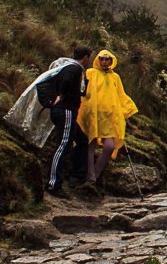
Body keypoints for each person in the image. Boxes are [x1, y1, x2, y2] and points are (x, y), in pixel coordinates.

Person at [79, 49, 138, 190]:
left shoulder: (115, 77)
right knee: (90, 145)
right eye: (102, 59)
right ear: (98, 60)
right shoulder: (90, 73)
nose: (104, 62)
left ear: (112, 61)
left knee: (110, 147)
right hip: (93, 115)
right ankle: (91, 178)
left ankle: (96, 174)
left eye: (107, 59)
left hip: (109, 118)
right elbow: (84, 92)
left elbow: (120, 95)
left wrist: (125, 109)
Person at [45, 46, 93, 199]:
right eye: (89, 58)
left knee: (82, 140)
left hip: (65, 111)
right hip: (66, 111)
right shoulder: (74, 68)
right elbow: (66, 82)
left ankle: (78, 176)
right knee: (63, 146)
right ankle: (53, 184)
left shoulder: (67, 67)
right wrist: (62, 96)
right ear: (86, 57)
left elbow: (80, 90)